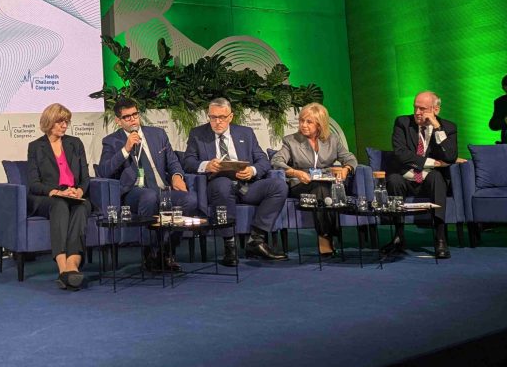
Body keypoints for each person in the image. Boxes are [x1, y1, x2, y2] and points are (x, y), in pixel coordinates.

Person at [98, 98, 199, 272]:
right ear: (118, 121)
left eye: (135, 114)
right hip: (133, 192)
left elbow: (173, 162)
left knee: (189, 200)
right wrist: (125, 149)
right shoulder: (111, 141)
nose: (132, 119)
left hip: (161, 189)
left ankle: (167, 249)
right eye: (127, 117)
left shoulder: (158, 134)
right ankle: (150, 252)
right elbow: (104, 171)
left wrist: (177, 176)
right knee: (149, 196)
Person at [183, 98, 287, 265]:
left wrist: (252, 170)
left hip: (246, 185)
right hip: (217, 185)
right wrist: (206, 165)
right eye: (213, 117)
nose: (217, 122)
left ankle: (256, 240)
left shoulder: (246, 133)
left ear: (230, 117)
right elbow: (188, 162)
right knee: (223, 185)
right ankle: (230, 246)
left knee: (279, 186)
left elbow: (263, 160)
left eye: (222, 117)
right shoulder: (198, 134)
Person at [271, 103, 357, 256]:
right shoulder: (291, 141)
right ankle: (326, 237)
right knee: (320, 188)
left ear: (319, 124)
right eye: (301, 121)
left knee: (326, 188)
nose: (303, 125)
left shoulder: (333, 140)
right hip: (302, 184)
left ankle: (327, 235)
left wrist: (346, 169)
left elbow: (350, 158)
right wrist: (295, 172)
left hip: (327, 184)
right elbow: (276, 161)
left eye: (309, 122)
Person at [383, 91, 459, 259]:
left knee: (437, 178)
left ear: (435, 110)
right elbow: (401, 153)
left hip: (429, 178)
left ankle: (440, 238)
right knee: (394, 180)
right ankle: (398, 236)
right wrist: (432, 162)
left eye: (422, 109)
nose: (417, 112)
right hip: (407, 175)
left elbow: (450, 157)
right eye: (415, 107)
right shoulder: (402, 123)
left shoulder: (448, 127)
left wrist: (437, 127)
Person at [27, 103, 91, 290]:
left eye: (66, 122)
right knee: (60, 205)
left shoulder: (75, 143)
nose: (64, 125)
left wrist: (79, 191)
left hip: (74, 195)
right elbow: (34, 183)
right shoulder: (36, 147)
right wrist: (57, 192)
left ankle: (72, 265)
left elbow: (85, 178)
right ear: (49, 122)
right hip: (49, 197)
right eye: (60, 121)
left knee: (81, 207)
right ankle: (63, 267)